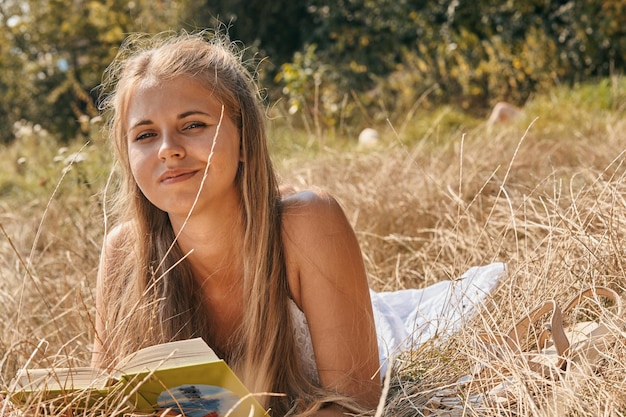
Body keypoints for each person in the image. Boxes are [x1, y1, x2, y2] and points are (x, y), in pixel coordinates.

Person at [91, 31, 505, 417]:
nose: (168, 150)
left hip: (378, 342)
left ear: (244, 140)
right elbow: (102, 401)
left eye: (193, 125)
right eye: (145, 135)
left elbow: (355, 404)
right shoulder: (124, 252)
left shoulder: (306, 222)